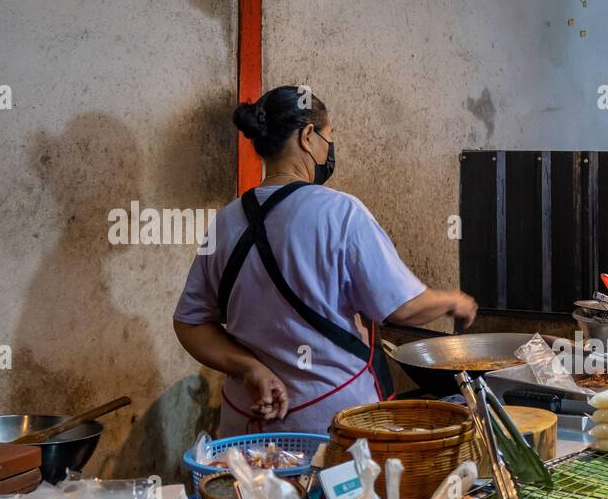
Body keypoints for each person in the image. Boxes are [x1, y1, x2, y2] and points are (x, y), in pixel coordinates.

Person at [174, 86, 477, 435]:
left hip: (245, 430)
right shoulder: (340, 212)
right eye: (328, 137)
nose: (329, 148)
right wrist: (453, 299)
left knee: (250, 494)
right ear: (307, 136)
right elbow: (402, 309)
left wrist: (249, 369)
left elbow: (190, 324)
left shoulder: (227, 219)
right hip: (330, 428)